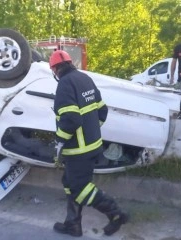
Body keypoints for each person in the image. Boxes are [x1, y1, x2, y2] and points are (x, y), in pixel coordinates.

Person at [49, 50, 128, 237]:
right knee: (69, 182)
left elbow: (70, 119)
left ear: (54, 69)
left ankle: (116, 214)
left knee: (80, 189)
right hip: (93, 146)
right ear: (70, 63)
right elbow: (102, 111)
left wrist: (59, 141)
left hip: (78, 150)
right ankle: (73, 225)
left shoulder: (64, 85)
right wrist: (91, 130)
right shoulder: (85, 79)